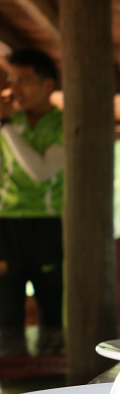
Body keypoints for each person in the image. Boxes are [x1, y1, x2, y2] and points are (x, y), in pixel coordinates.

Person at [0, 48, 64, 356]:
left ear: (48, 85)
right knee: (6, 305)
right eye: (12, 80)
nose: (14, 88)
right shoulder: (10, 120)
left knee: (51, 304)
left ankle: (53, 380)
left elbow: (40, 173)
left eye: (23, 80)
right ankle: (10, 382)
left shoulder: (64, 125)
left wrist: (6, 127)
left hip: (47, 225)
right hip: (5, 226)